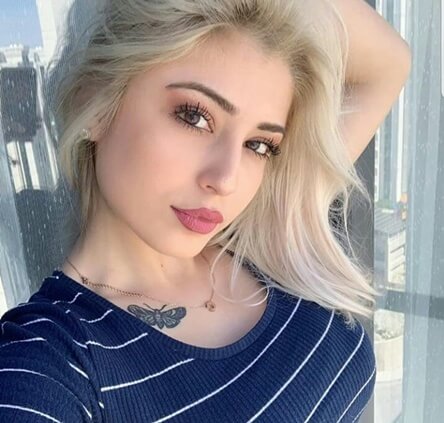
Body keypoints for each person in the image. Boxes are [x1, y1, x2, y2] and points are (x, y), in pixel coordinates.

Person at [0, 0, 411, 421]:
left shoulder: (261, 234)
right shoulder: (51, 360)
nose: (226, 179)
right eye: (195, 117)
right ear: (96, 101)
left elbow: (390, 62)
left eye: (259, 145)